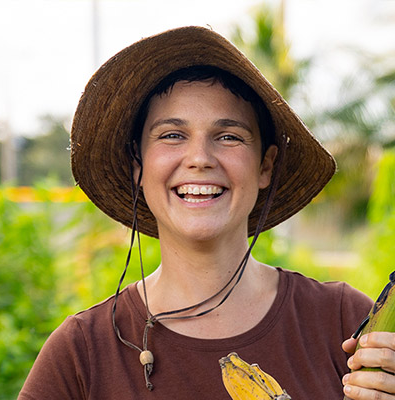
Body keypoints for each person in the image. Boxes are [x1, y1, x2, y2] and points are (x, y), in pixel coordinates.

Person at [19, 26, 395, 399]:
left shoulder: (343, 322)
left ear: (265, 166)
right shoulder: (81, 352)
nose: (199, 159)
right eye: (172, 135)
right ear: (138, 164)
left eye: (228, 136)